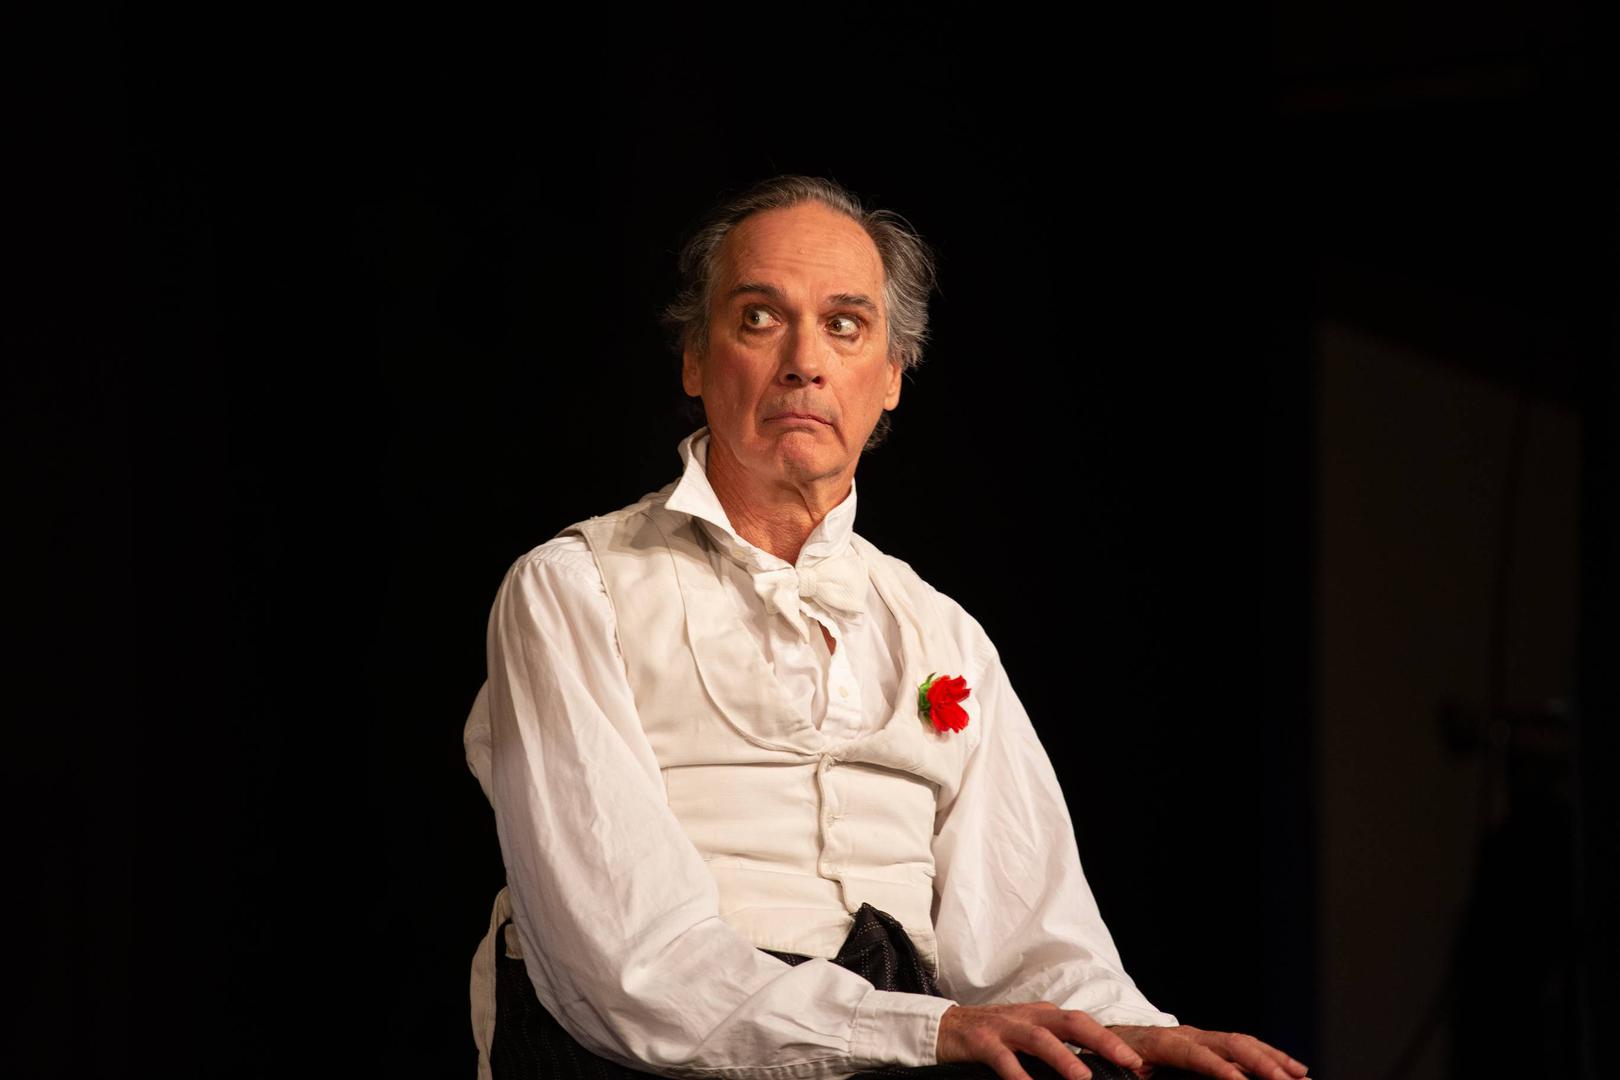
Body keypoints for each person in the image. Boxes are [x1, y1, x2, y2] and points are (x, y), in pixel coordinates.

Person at [462, 176, 1309, 1080]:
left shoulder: (942, 632)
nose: (804, 362)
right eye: (759, 318)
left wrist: (1131, 1035)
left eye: (845, 324)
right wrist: (915, 1031)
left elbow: (1035, 940)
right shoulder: (576, 589)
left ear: (893, 375)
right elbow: (625, 961)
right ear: (695, 360)